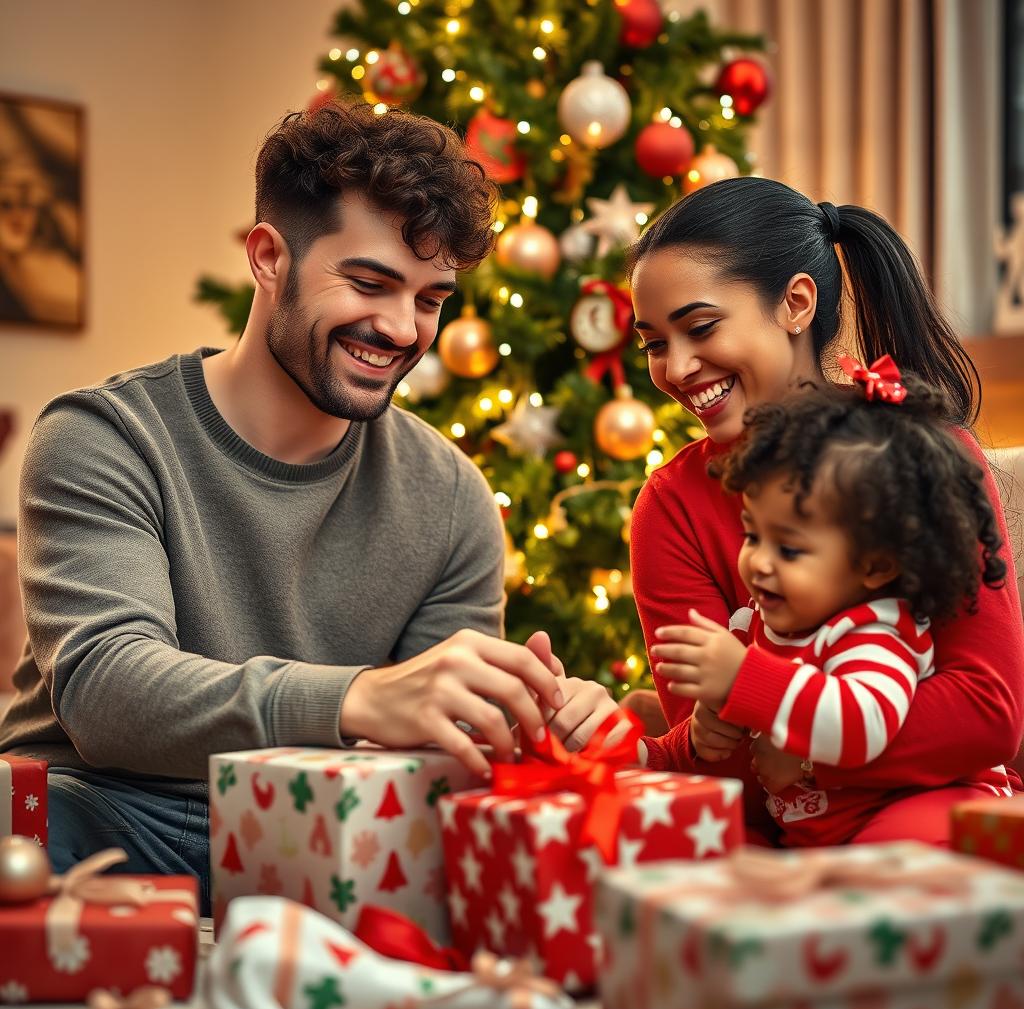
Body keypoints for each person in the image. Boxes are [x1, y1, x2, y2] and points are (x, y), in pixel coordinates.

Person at [0, 101, 566, 905]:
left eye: (431, 299)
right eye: (369, 282)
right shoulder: (105, 437)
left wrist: (522, 715)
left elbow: (442, 757)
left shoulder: (450, 496)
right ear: (268, 258)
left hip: (326, 838)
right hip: (104, 818)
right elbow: (107, 692)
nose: (401, 328)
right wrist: (359, 696)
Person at [545, 177, 1024, 845]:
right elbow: (720, 753)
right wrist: (627, 741)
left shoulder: (923, 451)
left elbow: (985, 714)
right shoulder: (672, 506)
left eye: (701, 327)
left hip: (936, 808)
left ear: (796, 303)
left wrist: (792, 740)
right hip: (790, 829)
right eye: (654, 343)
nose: (677, 367)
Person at [641, 365, 1011, 846]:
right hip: (825, 834)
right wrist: (669, 746)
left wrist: (744, 681)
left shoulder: (874, 632)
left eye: (790, 549)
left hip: (925, 804)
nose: (759, 563)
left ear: (875, 566)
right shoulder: (756, 625)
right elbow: (706, 741)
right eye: (753, 535)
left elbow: (863, 722)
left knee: (892, 855)